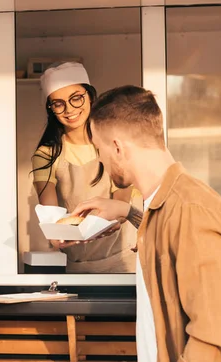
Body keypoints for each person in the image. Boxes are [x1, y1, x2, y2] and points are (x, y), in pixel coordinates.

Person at [73, 85, 221, 362]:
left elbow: (214, 332)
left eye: (99, 149)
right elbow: (168, 241)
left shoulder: (191, 210)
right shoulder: (166, 207)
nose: (100, 160)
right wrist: (128, 212)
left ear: (118, 147)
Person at [31, 62, 139, 273]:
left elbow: (121, 202)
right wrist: (56, 238)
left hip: (124, 260)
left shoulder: (113, 143)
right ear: (50, 109)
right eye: (58, 103)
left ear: (90, 96)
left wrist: (113, 219)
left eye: (76, 98)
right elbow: (51, 213)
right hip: (78, 265)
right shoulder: (46, 155)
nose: (69, 109)